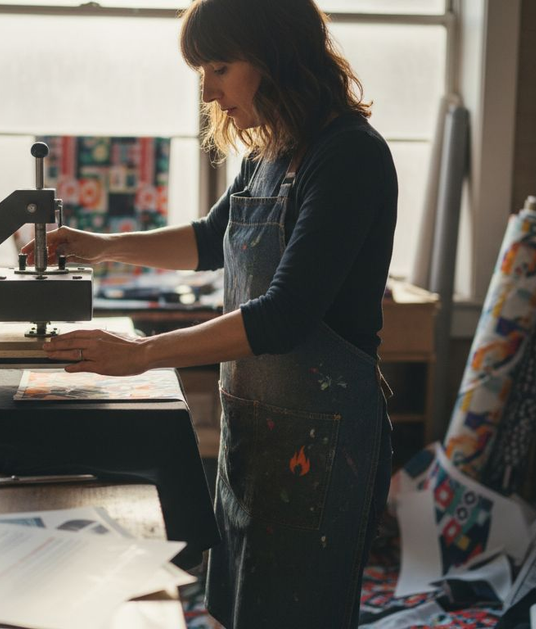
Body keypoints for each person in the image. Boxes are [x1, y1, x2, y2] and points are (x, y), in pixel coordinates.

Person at [23, 0, 397, 625]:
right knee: (235, 607)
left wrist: (140, 355)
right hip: (256, 434)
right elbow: (207, 241)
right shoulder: (269, 153)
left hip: (322, 445)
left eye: (219, 67)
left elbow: (283, 316)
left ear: (279, 56)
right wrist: (97, 244)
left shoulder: (348, 157)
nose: (208, 90)